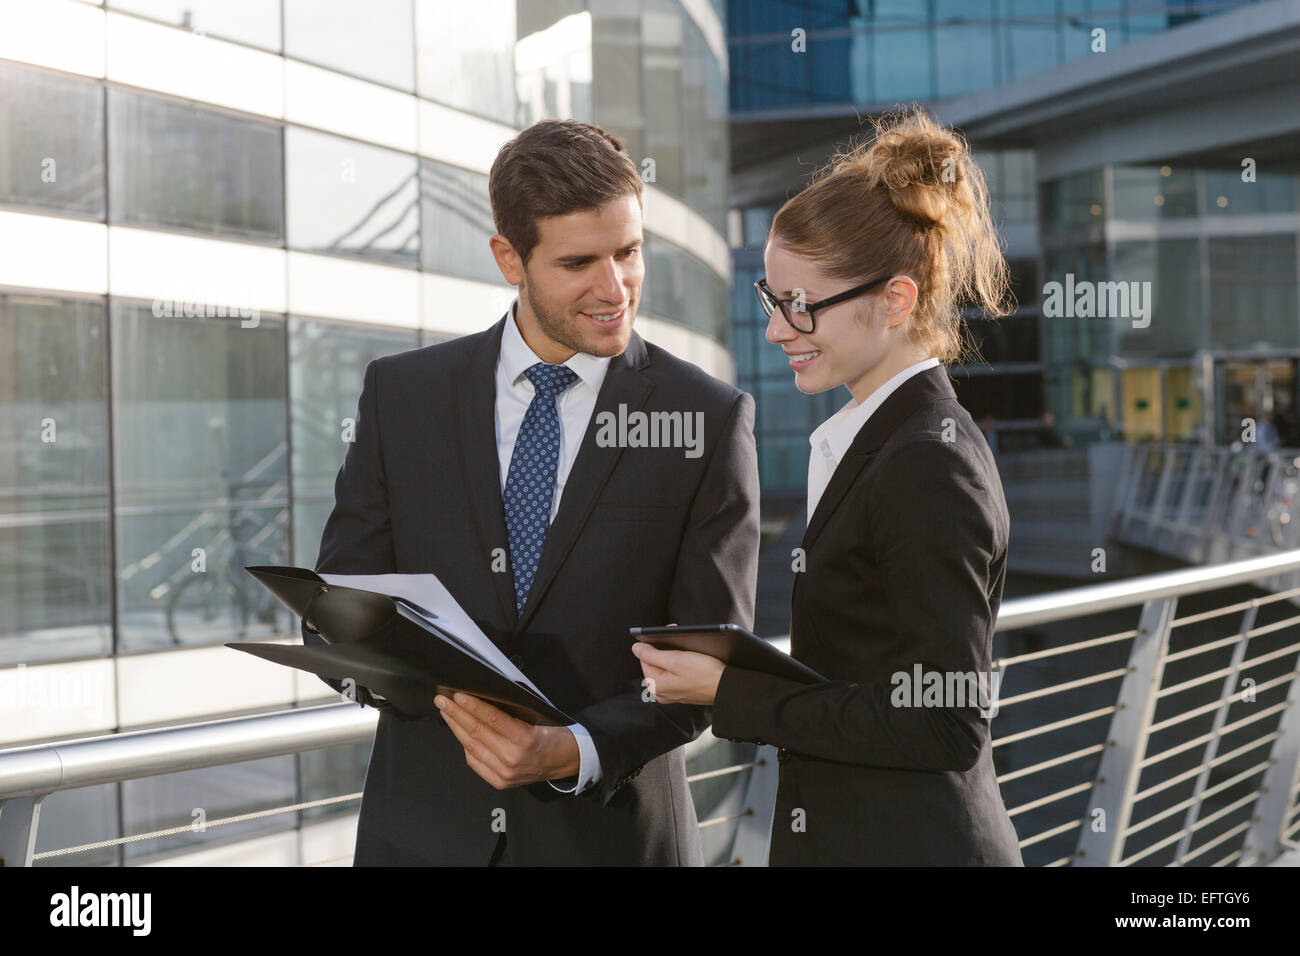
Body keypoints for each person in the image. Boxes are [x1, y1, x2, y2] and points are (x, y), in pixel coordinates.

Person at [306, 118, 760, 865]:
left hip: (611, 842)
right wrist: (370, 665)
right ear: (509, 259)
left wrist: (572, 749)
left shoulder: (706, 418)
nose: (615, 288)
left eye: (629, 252)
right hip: (423, 839)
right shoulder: (402, 395)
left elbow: (706, 668)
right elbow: (342, 603)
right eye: (580, 261)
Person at [634, 105, 1024, 865]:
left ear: (896, 301)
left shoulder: (926, 464)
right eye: (772, 300)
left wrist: (729, 692)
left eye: (801, 304)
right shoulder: (875, 440)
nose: (778, 329)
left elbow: (945, 721)